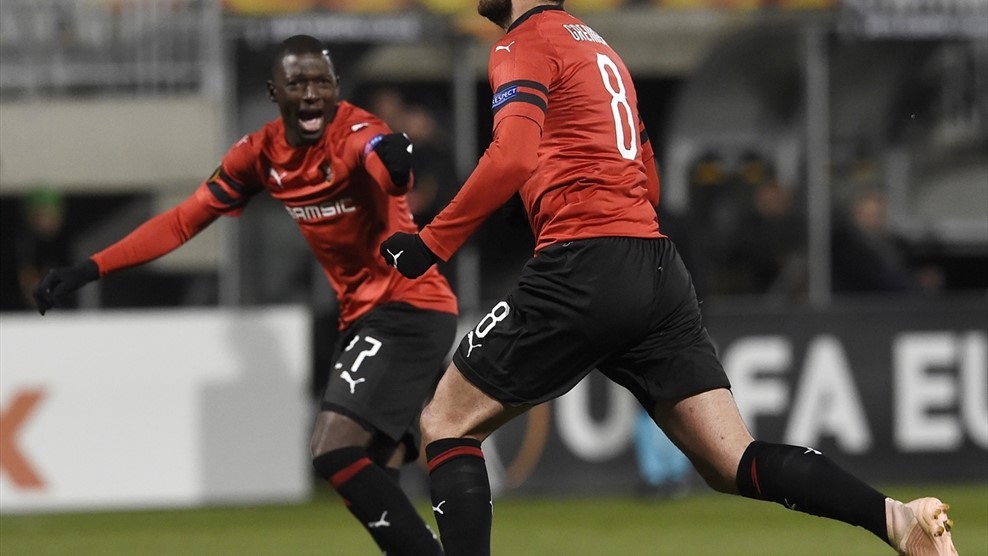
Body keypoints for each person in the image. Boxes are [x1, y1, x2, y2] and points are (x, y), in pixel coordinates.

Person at [378, 2, 957, 555]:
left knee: (446, 421)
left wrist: (431, 243)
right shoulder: (601, 51)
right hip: (655, 268)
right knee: (732, 461)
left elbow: (510, 156)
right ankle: (894, 518)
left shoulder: (521, 42)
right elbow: (648, 181)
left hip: (583, 263)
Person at [33, 35, 455, 556]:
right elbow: (182, 221)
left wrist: (397, 167)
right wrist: (90, 267)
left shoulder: (357, 131)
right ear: (274, 91)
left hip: (407, 307)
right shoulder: (258, 154)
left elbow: (384, 167)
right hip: (363, 318)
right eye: (296, 82)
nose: (311, 93)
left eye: (321, 82)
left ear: (336, 88)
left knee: (332, 450)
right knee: (372, 474)